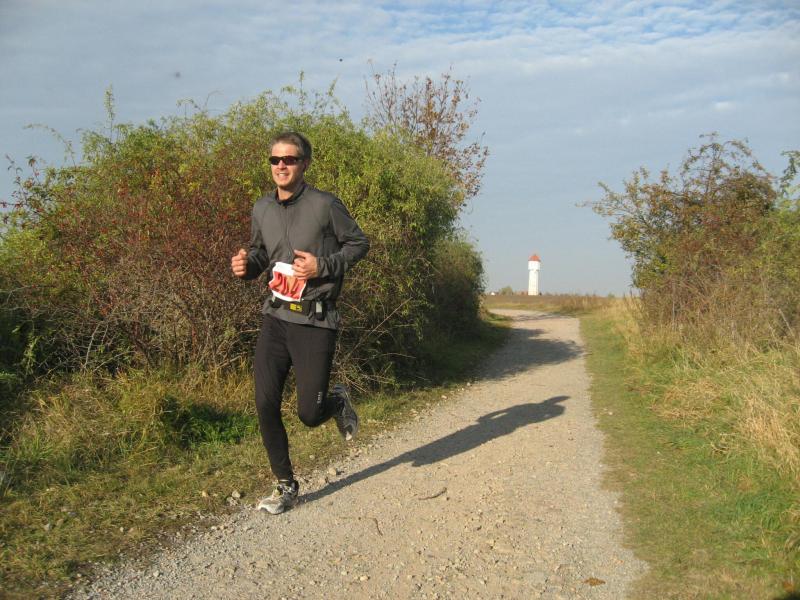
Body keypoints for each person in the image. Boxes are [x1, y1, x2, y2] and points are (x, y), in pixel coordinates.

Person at [231, 131, 369, 514]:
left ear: (304, 163)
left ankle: (336, 401)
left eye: (289, 159)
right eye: (275, 160)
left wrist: (322, 266)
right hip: (275, 316)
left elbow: (359, 244)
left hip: (314, 320)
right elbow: (261, 253)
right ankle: (285, 485)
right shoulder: (262, 208)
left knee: (309, 414)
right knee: (264, 402)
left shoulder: (325, 205)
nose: (281, 166)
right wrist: (246, 267)